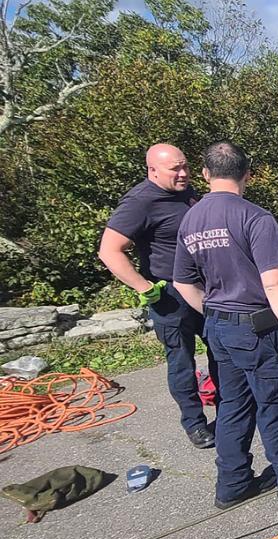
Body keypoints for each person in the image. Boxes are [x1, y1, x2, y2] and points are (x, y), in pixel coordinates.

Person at [173, 141, 278, 509]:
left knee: (232, 405)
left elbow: (183, 282)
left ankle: (233, 484)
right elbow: (275, 283)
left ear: (205, 174)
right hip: (257, 328)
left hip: (218, 326)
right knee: (276, 400)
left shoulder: (191, 219)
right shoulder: (254, 217)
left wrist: (214, 312)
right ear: (247, 174)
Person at [98, 143, 215, 449]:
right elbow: (109, 251)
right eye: (174, 169)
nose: (183, 173)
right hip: (170, 295)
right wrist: (143, 287)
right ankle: (195, 423)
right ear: (153, 170)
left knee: (222, 347)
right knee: (181, 360)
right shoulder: (140, 202)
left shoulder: (186, 193)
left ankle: (230, 407)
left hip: (204, 287)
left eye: (185, 166)